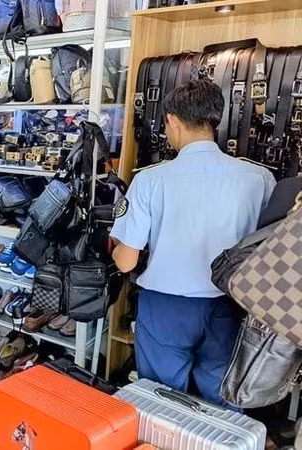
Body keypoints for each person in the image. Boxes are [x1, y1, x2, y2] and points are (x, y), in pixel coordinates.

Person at [110, 80, 276, 406]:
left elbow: (126, 261)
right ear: (214, 120)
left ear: (172, 120)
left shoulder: (150, 180)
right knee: (223, 402)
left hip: (166, 308)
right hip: (232, 305)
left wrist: (115, 247)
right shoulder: (259, 179)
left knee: (160, 400)